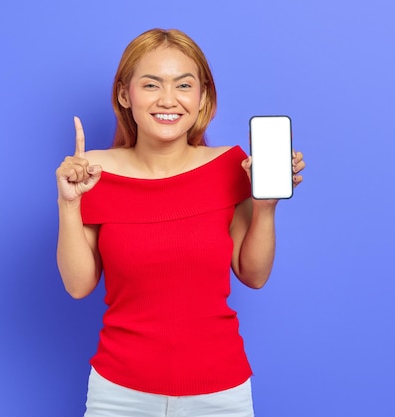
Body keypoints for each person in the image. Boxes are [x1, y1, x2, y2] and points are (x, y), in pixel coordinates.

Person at [55, 28, 305, 417]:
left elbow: (253, 275)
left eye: (183, 85)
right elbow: (78, 285)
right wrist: (69, 205)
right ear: (125, 94)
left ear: (202, 95)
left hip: (221, 395)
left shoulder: (229, 167)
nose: (167, 100)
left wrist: (266, 206)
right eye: (151, 84)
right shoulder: (93, 172)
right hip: (119, 395)